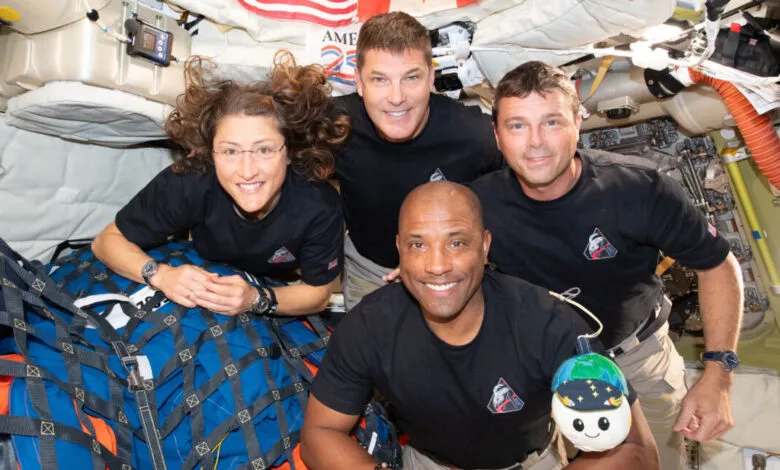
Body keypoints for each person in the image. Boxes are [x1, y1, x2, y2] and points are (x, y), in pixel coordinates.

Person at [470, 61, 744, 470]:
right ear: (497, 136)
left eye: (551, 122)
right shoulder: (476, 206)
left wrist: (719, 376)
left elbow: (718, 265)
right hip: (539, 363)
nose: (535, 143)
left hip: (638, 355)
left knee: (661, 460)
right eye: (517, 126)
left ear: (578, 122)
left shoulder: (639, 189)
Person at [300, 182, 660, 470]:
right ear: (400, 250)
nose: (437, 265)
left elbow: (638, 450)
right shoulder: (369, 326)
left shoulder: (548, 324)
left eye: (456, 243)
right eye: (418, 245)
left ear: (485, 247)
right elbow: (320, 433)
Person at [92, 52, 350, 316]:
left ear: (290, 153)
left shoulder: (319, 204)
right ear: (210, 154)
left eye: (264, 150)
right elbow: (106, 241)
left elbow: (318, 293)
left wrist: (255, 299)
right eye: (230, 151)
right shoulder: (192, 180)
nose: (247, 171)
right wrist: (161, 275)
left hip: (273, 286)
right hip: (200, 269)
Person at [333, 12, 504, 311]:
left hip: (449, 271)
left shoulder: (474, 135)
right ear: (359, 82)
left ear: (431, 78)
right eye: (379, 80)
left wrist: (473, 255)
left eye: (411, 77)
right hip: (370, 270)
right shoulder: (333, 126)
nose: (396, 97)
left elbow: (519, 196)